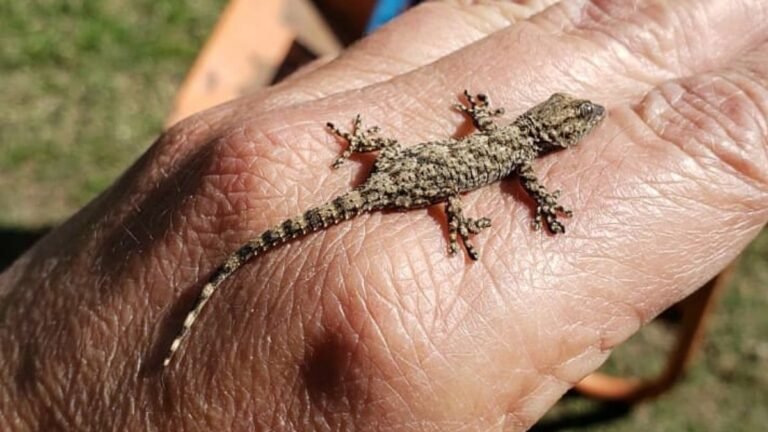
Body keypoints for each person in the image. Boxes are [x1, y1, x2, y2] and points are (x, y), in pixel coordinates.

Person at [1, 0, 766, 429]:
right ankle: (218, 283)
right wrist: (467, 219)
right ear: (552, 130)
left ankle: (227, 273)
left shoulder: (503, 139)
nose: (575, 124)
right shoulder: (517, 158)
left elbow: (483, 131)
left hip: (398, 167)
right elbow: (524, 189)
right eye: (575, 123)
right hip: (413, 184)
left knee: (401, 183)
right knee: (429, 207)